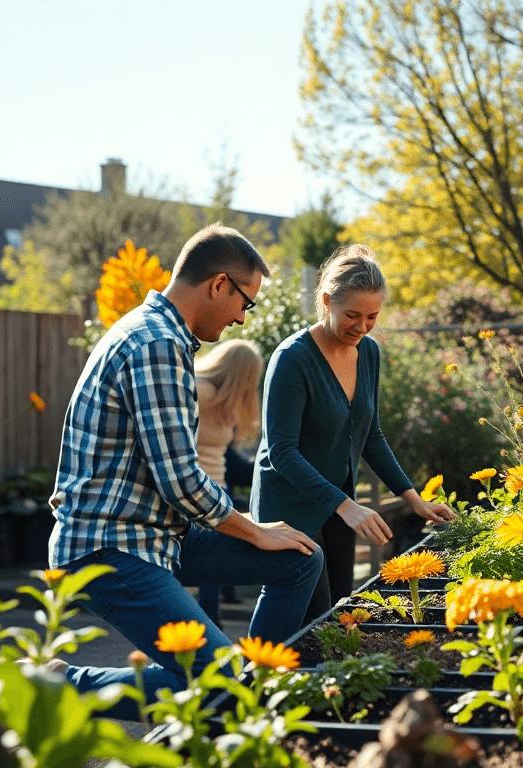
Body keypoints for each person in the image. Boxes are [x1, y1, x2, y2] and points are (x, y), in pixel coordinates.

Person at [49, 223, 323, 718]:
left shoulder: (159, 335)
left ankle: (252, 689)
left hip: (156, 537)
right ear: (219, 284)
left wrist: (261, 533)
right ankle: (56, 686)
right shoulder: (155, 344)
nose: (243, 318)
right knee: (219, 687)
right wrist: (253, 529)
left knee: (300, 557)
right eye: (246, 302)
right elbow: (180, 481)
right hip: (110, 546)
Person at [252, 244, 455, 623]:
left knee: (338, 611)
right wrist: (347, 506)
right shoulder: (292, 358)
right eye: (352, 315)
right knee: (307, 615)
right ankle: (262, 678)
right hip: (290, 510)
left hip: (339, 506)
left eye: (372, 317)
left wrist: (413, 498)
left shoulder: (369, 353)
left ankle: (326, 682)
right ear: (327, 301)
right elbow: (282, 452)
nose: (362, 327)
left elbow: (370, 434)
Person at [192, 338, 264, 627]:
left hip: (217, 489)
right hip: (194, 489)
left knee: (213, 566)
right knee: (208, 566)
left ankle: (211, 621)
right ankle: (209, 623)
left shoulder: (225, 401)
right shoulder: (200, 391)